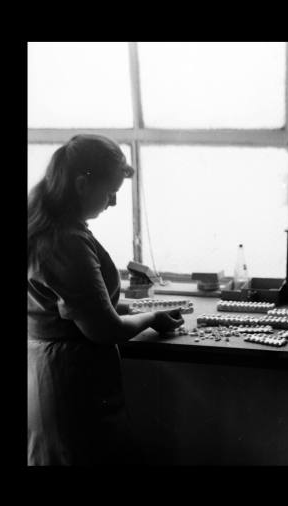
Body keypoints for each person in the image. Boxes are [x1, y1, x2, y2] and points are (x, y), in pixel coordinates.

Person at [27, 134, 184, 465]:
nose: (112, 202)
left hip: (53, 368)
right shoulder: (67, 240)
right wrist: (151, 318)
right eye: (110, 191)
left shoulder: (51, 224)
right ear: (83, 184)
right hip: (69, 378)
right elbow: (105, 329)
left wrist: (137, 310)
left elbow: (83, 308)